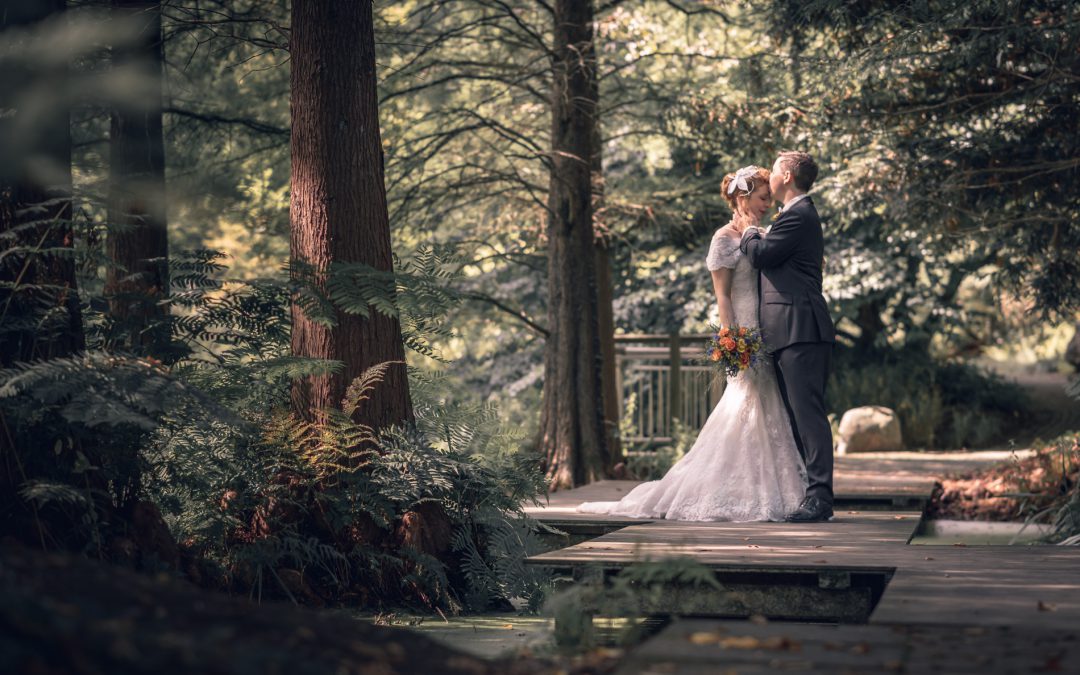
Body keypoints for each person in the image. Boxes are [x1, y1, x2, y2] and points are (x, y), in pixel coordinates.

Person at [577, 165, 807, 522]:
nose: (767, 205)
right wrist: (732, 339)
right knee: (743, 407)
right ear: (743, 198)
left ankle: (775, 490)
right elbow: (723, 297)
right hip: (745, 332)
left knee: (769, 410)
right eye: (763, 199)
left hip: (769, 329)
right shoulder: (723, 239)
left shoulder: (760, 234)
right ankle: (736, 491)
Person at [740, 151, 836, 523]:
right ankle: (808, 492)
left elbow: (762, 255)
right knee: (798, 417)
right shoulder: (792, 216)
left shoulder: (799, 215)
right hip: (788, 331)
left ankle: (820, 498)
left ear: (788, 175)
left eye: (777, 167)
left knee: (808, 415)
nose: (772, 172)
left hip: (802, 329)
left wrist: (749, 229)